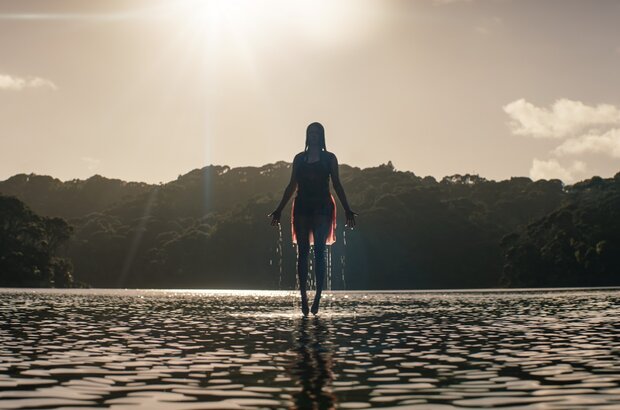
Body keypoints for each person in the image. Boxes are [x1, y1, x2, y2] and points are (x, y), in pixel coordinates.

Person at [269, 122, 357, 316]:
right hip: (301, 207)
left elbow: (337, 185)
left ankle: (317, 296)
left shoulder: (329, 158)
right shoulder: (299, 159)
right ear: (307, 136)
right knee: (302, 253)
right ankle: (303, 298)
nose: (314, 135)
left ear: (322, 136)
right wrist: (279, 209)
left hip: (323, 208)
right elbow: (291, 185)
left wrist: (348, 209)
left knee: (319, 252)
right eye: (311, 132)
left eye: (317, 133)